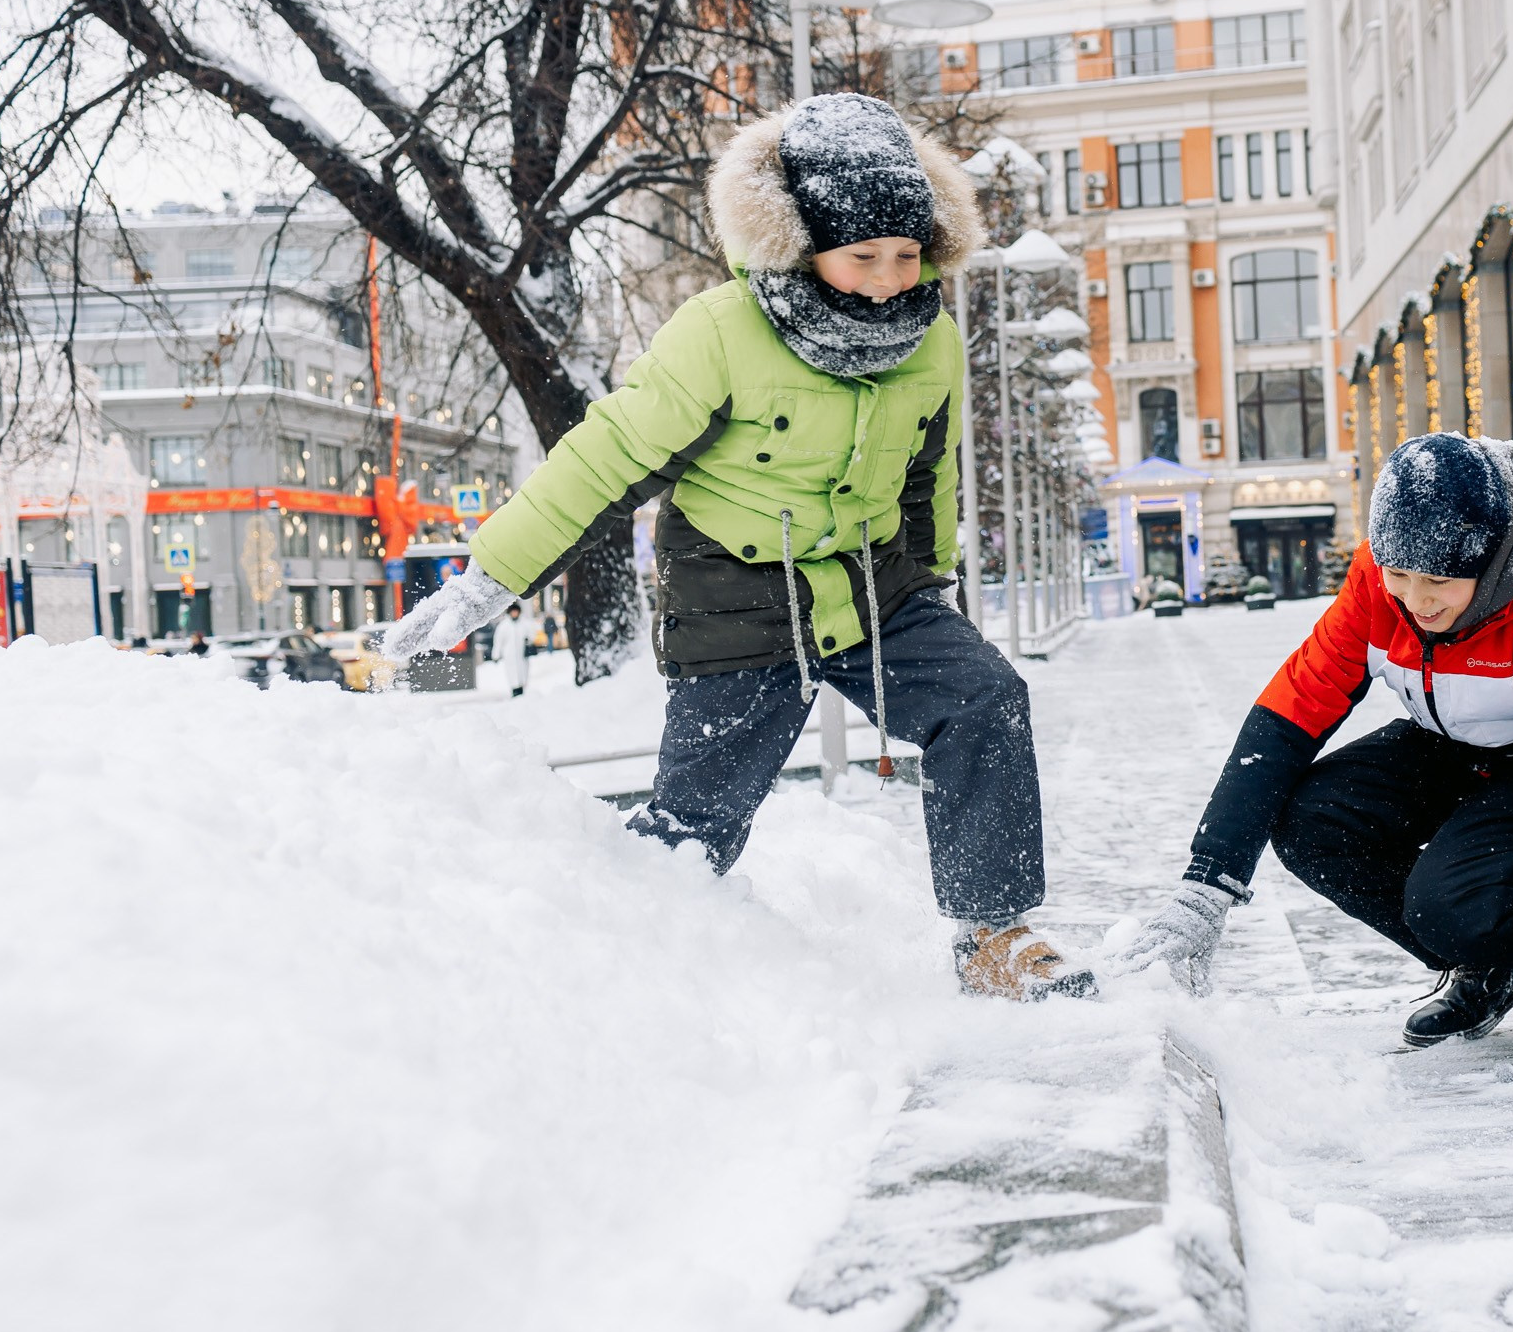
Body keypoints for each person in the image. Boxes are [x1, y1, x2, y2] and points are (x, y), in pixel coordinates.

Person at [380, 93, 1091, 1001]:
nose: (887, 277)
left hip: (877, 588)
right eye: (864, 255)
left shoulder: (932, 339)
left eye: (907, 255)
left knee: (987, 701)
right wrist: (488, 582)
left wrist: (934, 585)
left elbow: (927, 473)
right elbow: (606, 459)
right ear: (804, 245)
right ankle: (611, 967)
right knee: (696, 825)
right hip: (736, 599)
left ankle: (993, 938)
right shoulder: (722, 330)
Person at [1111, 433, 1513, 1087]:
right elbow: (1288, 716)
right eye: (1400, 578)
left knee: (1458, 902)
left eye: (1438, 583)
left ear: (1489, 567)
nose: (1416, 601)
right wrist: (1205, 888)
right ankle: (1501, 962)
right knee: (1313, 821)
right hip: (1454, 736)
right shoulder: (1379, 583)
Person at [494, 601, 531, 698]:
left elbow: (531, 635)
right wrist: (496, 654)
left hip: (522, 654)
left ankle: (521, 691)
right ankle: (515, 691)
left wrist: (528, 640)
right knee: (512, 674)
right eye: (513, 612)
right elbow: (498, 641)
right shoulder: (504, 625)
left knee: (523, 673)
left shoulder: (524, 623)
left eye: (516, 612)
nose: (515, 614)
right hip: (509, 655)